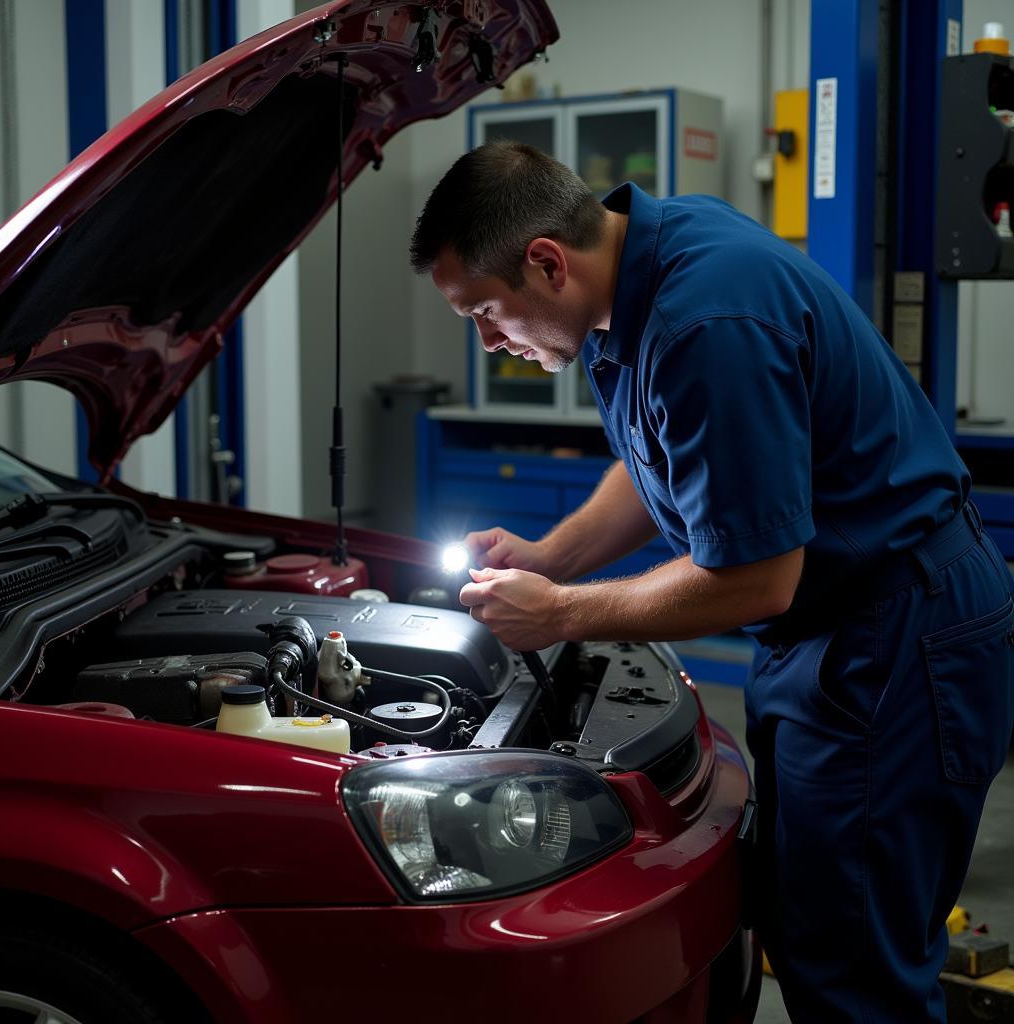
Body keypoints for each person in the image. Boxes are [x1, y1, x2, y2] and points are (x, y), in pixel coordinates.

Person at [410, 140, 1014, 1021]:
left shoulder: (705, 320)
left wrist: (562, 614)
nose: (491, 342)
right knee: (808, 918)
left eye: (485, 313)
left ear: (546, 263)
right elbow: (670, 460)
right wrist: (553, 558)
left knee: (855, 970)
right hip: (841, 629)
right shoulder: (643, 269)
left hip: (897, 638)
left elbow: (754, 580)